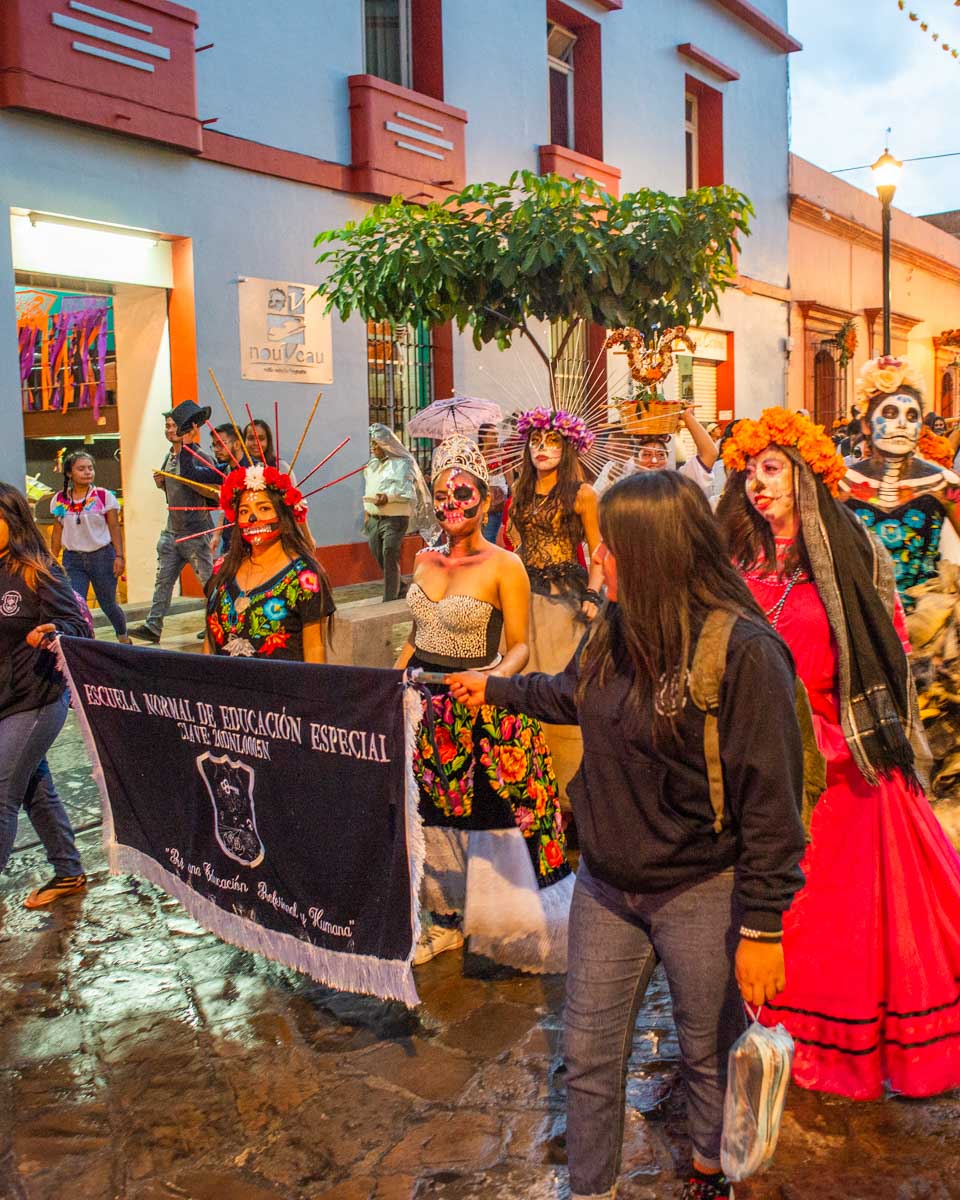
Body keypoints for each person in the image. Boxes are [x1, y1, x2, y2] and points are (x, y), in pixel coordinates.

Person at [450, 470, 807, 1200]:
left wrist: (763, 927)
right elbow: (568, 693)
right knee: (586, 1054)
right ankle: (590, 1188)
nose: (595, 562)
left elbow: (773, 807)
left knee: (707, 1054)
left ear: (650, 553)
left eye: (607, 549)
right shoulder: (614, 628)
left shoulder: (745, 653)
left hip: (700, 889)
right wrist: (494, 690)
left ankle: (711, 1171)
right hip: (608, 887)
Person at [718, 407, 960, 1100]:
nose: (757, 486)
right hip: (757, 764)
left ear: (806, 478)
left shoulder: (855, 553)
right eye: (750, 472)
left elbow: (889, 652)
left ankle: (828, 1049)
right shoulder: (738, 559)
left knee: (831, 922)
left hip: (841, 766)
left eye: (772, 470)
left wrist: (863, 734)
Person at [396, 435, 573, 970]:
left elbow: (520, 644)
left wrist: (491, 681)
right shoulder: (425, 560)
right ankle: (443, 917)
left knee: (489, 812)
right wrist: (388, 682)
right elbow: (416, 631)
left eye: (463, 492)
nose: (452, 504)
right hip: (422, 704)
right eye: (443, 494)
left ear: (486, 499)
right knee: (428, 811)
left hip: (478, 702)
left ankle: (504, 925)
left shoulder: (505, 565)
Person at [0, 482, 92, 908]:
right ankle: (69, 871)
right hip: (3, 700)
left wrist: (53, 632)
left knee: (2, 791)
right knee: (34, 785)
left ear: (11, 519)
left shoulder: (37, 570)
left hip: (36, 698)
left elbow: (76, 626)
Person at [505, 407, 603, 803]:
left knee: (562, 688)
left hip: (566, 602)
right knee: (521, 680)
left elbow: (596, 549)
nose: (541, 449)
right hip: (523, 595)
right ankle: (526, 783)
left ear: (569, 448)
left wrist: (594, 597)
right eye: (535, 442)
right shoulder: (520, 491)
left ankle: (568, 792)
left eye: (552, 442)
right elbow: (513, 542)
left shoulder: (583, 494)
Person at [841, 357, 960, 609]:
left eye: (912, 415)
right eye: (891, 413)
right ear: (866, 424)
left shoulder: (943, 483)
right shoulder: (841, 483)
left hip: (923, 623)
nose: (902, 424)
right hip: (861, 618)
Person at [204, 460, 334, 661]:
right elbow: (209, 642)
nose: (253, 518)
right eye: (244, 511)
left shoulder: (305, 577)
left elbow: (315, 649)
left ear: (282, 515)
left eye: (264, 508)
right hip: (225, 688)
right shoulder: (222, 570)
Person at [128, 400, 223, 644]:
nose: (170, 430)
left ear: (186, 428)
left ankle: (218, 622)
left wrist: (189, 482)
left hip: (196, 531)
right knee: (163, 581)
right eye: (167, 426)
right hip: (172, 531)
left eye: (174, 426)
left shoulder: (201, 456)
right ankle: (153, 625)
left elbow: (215, 491)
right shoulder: (169, 457)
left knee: (208, 583)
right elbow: (173, 491)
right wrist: (162, 485)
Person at [50, 450, 129, 643]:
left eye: (90, 468)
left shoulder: (103, 496)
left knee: (108, 604)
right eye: (81, 469)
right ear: (69, 473)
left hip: (102, 557)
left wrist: (119, 556)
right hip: (73, 560)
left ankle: (123, 637)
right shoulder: (60, 500)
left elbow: (114, 527)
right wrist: (51, 559)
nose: (87, 472)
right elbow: (57, 532)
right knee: (76, 604)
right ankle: (85, 643)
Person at [363, 423, 431, 602]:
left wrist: (388, 498)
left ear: (387, 444)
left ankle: (389, 598)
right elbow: (368, 487)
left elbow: (406, 491)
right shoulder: (372, 465)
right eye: (372, 443)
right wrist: (367, 513)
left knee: (389, 553)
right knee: (378, 553)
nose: (373, 447)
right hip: (374, 518)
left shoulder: (403, 463)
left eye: (377, 443)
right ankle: (399, 586)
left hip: (395, 518)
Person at [593, 407, 719, 498]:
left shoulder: (678, 483)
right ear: (635, 460)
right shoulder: (623, 481)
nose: (654, 461)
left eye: (660, 455)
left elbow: (710, 453)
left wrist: (688, 417)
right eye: (646, 455)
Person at [478, 422, 509, 543]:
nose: (496, 437)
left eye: (497, 434)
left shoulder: (501, 454)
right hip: (480, 500)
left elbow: (509, 476)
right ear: (484, 436)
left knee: (489, 536)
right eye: (492, 434)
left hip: (497, 500)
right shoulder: (476, 455)